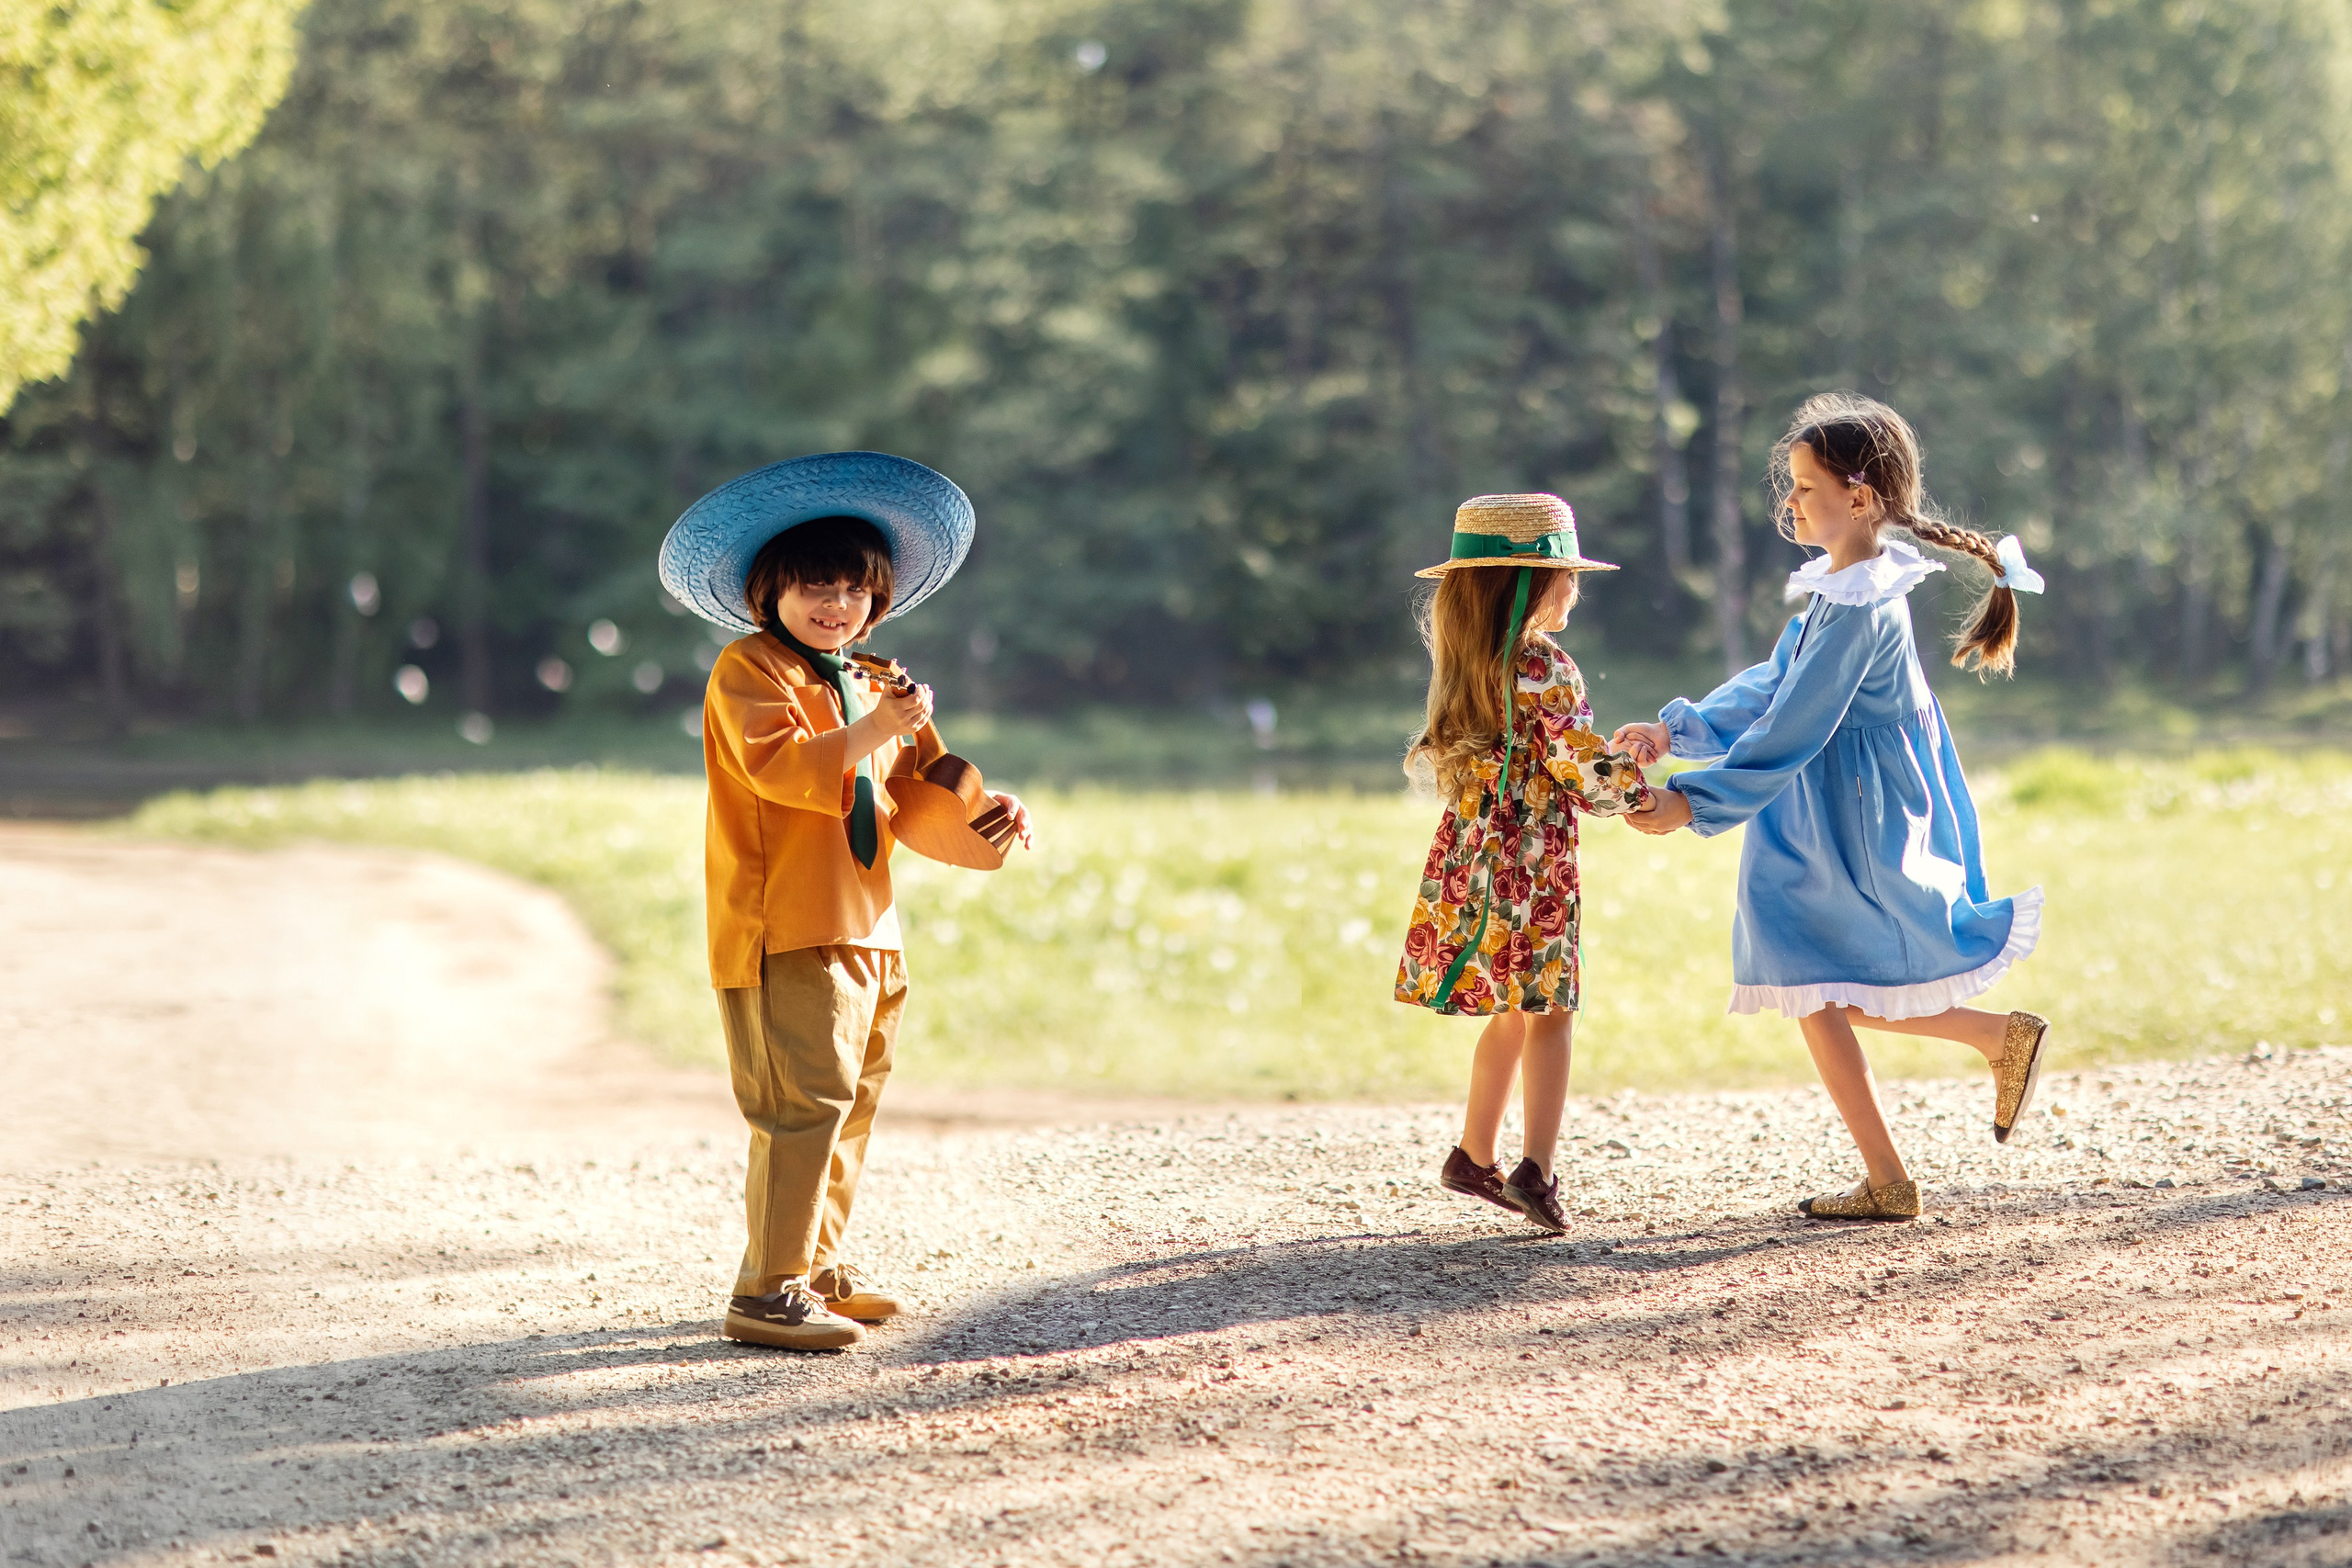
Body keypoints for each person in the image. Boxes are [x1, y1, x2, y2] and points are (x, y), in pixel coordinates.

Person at [1615, 392, 2049, 1223]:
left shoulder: (1863, 603)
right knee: (1805, 975)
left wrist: (1690, 803)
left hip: (1854, 813)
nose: (1792, 502)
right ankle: (1919, 1134)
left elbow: (1797, 723)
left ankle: (1954, 1092)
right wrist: (1678, 729)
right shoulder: (1840, 590)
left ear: (1861, 498)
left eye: (1807, 486)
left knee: (1813, 975)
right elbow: (1776, 682)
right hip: (1819, 810)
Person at [658, 451, 1031, 1349]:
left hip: (869, 925)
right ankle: (768, 1289)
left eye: (855, 591)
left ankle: (813, 1263)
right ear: (767, 592)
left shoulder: (871, 677)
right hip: (784, 924)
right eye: (815, 587)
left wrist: (987, 814)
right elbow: (783, 771)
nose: (836, 607)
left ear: (879, 599)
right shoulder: (750, 670)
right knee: (802, 1103)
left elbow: (913, 800)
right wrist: (872, 729)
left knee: (850, 1100)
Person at [1395, 494, 1654, 1234]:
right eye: (1566, 572)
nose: (1575, 586)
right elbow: (1578, 763)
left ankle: (1474, 1152)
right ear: (1531, 583)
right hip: (1531, 863)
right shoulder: (1542, 664)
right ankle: (1536, 1169)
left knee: (1514, 1008)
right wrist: (1634, 778)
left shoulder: (1470, 662)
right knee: (1551, 1010)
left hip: (1477, 857)